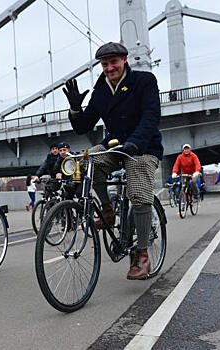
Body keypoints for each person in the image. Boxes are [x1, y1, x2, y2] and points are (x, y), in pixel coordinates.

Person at [63, 41, 163, 280]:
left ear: (125, 59)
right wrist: (76, 108)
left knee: (138, 192)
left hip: (143, 147)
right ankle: (107, 209)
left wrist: (136, 142)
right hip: (115, 145)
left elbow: (151, 117)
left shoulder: (144, 81)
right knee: (87, 161)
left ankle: (142, 255)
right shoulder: (101, 90)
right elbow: (83, 127)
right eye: (105, 64)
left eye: (113, 62)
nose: (109, 68)